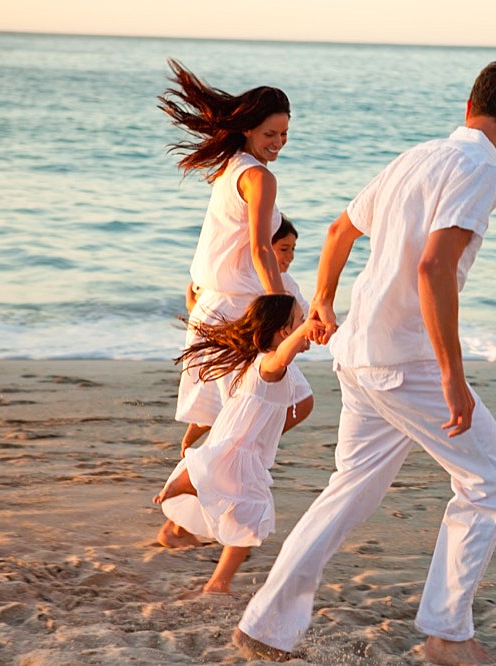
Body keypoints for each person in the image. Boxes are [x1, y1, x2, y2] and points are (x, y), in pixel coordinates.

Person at [234, 61, 496, 665]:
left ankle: (265, 626)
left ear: (468, 105)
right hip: (406, 363)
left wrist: (322, 300)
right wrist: (453, 376)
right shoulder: (482, 167)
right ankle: (448, 635)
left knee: (347, 489)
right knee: (494, 484)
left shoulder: (417, 156)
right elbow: (434, 267)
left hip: (358, 356)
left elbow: (339, 229)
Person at [156, 58, 314, 548]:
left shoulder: (233, 169)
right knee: (278, 409)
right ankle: (197, 484)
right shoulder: (257, 177)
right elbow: (258, 249)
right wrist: (281, 303)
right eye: (271, 133)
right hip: (239, 316)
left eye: (285, 135)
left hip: (220, 309)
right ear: (248, 128)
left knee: (264, 415)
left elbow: (225, 241)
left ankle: (185, 518)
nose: (278, 143)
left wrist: (198, 285)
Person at [154, 294, 324, 593]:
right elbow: (284, 354)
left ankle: (218, 579)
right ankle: (218, 579)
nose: (303, 326)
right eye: (299, 320)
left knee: (245, 518)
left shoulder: (256, 361)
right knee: (252, 516)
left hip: (238, 447)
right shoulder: (271, 363)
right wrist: (306, 328)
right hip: (239, 451)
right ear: (285, 332)